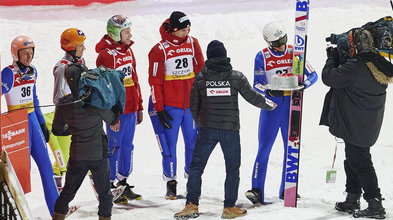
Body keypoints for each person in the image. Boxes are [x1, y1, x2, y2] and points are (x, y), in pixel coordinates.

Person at [174, 40, 276, 220]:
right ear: (224, 55)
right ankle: (229, 207)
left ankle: (191, 205)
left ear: (209, 57)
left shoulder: (200, 78)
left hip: (207, 130)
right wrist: (271, 105)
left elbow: (193, 107)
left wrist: (202, 123)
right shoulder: (236, 77)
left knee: (196, 167)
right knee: (232, 169)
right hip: (230, 131)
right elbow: (252, 97)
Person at [320, 29, 393, 219]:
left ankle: (375, 203)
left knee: (361, 163)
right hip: (365, 124)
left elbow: (329, 77)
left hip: (356, 124)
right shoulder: (376, 63)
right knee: (352, 160)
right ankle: (352, 198)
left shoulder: (356, 66)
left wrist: (333, 57)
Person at [245, 22, 318, 204]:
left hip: (291, 107)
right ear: (269, 42)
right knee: (264, 149)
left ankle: (288, 188)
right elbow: (257, 83)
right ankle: (257, 190)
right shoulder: (261, 56)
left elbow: (313, 75)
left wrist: (303, 86)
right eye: (277, 43)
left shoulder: (295, 52)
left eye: (283, 41)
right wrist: (269, 91)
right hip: (271, 108)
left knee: (291, 149)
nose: (281, 46)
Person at [52, 55, 121, 220]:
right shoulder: (94, 99)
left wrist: (73, 129)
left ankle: (58, 216)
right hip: (98, 154)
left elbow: (57, 130)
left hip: (77, 154)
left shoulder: (63, 103)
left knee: (68, 192)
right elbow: (111, 119)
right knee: (104, 194)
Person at [148, 11, 204, 200]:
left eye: (189, 27)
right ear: (173, 30)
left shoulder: (193, 43)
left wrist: (202, 99)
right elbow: (155, 81)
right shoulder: (158, 50)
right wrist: (160, 108)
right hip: (171, 106)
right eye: (183, 28)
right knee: (170, 146)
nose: (187, 30)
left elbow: (200, 71)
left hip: (189, 106)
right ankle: (171, 183)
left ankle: (192, 180)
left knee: (192, 143)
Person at [1, 35, 59, 216]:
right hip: (17, 124)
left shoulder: (33, 71)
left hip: (32, 121)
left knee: (47, 167)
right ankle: (17, 213)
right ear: (15, 54)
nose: (28, 56)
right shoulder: (8, 73)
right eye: (24, 53)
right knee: (20, 173)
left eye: (31, 52)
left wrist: (42, 124)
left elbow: (34, 99)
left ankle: (57, 211)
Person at [95, 14, 144, 204]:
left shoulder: (128, 51)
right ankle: (109, 185)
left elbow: (135, 79)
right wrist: (111, 115)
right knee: (113, 147)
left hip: (131, 108)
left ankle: (123, 183)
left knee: (127, 146)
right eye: (127, 31)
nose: (130, 35)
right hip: (117, 111)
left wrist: (139, 105)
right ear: (116, 33)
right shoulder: (105, 55)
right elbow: (104, 89)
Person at [46, 27, 87, 191]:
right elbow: (57, 97)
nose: (84, 48)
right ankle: (58, 196)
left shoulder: (81, 62)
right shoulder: (61, 67)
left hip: (82, 115)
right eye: (81, 45)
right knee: (63, 160)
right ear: (72, 47)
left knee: (90, 154)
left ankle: (103, 194)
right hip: (67, 117)